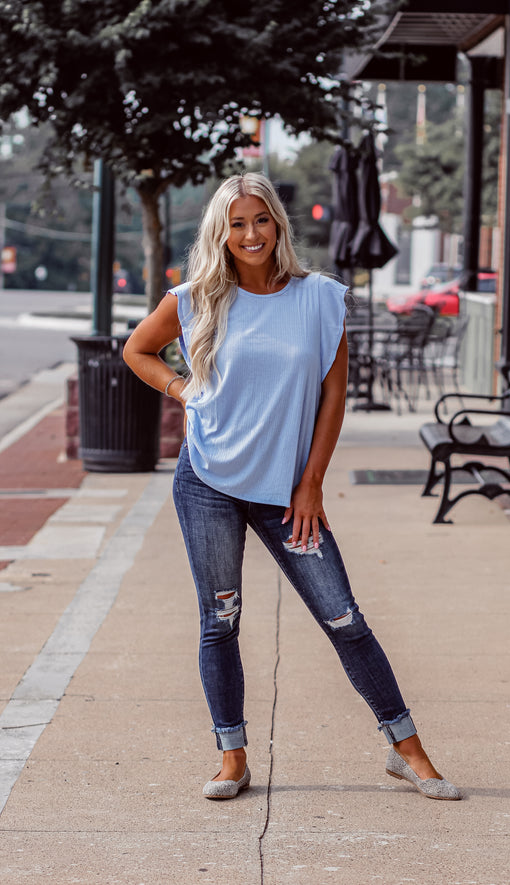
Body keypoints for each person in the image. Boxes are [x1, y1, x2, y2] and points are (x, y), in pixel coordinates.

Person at [123, 172, 460, 802]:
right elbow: (137, 349)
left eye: (261, 220)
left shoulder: (321, 298)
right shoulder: (196, 298)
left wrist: (311, 486)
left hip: (287, 493)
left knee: (344, 618)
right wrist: (181, 389)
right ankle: (232, 757)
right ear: (221, 234)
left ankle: (406, 748)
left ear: (278, 224)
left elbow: (334, 395)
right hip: (207, 482)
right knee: (219, 620)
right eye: (237, 223)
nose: (250, 234)